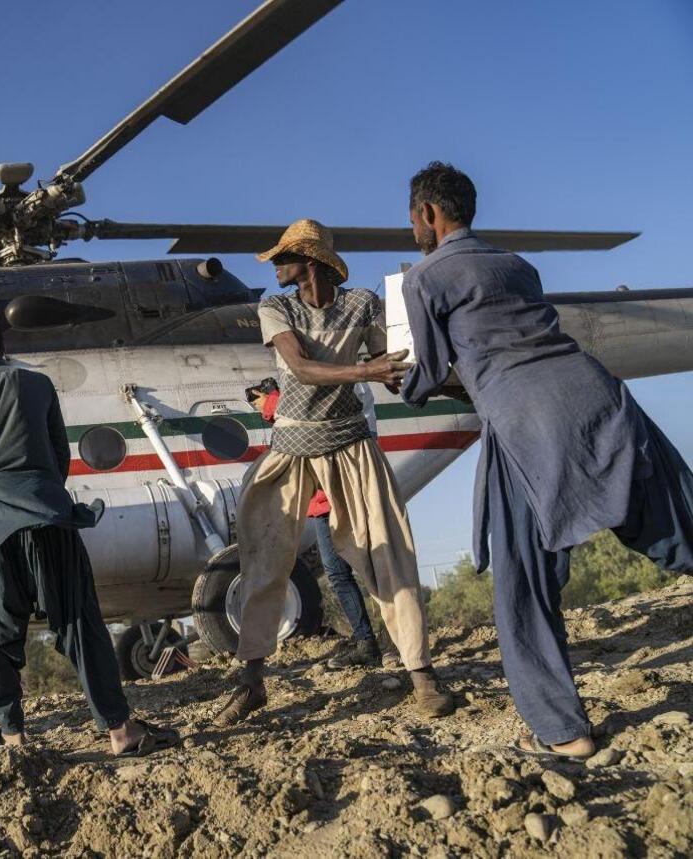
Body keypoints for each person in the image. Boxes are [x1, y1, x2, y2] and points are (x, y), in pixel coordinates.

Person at [399, 162, 693, 760]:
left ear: (428, 213)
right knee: (679, 524)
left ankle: (565, 732)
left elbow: (427, 373)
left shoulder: (424, 277)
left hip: (526, 424)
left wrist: (392, 378)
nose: (413, 231)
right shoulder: (518, 265)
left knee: (524, 582)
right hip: (600, 396)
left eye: (412, 220)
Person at [215, 218, 453, 727]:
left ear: (310, 261)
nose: (275, 268)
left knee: (390, 553)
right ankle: (252, 681)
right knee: (264, 560)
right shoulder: (277, 308)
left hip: (349, 442)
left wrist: (400, 372)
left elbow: (386, 360)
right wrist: (368, 371)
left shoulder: (362, 304)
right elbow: (301, 368)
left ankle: (422, 673)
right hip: (292, 446)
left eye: (283, 258)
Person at [0, 310, 178, 755]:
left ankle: (13, 735)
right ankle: (120, 731)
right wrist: (43, 494)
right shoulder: (39, 384)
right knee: (80, 622)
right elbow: (61, 453)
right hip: (49, 516)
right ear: (1, 345)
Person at [250, 382, 380, 668]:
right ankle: (374, 641)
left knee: (348, 571)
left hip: (337, 493)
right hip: (329, 496)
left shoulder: (340, 382)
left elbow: (314, 418)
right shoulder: (344, 380)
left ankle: (373, 642)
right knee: (351, 570)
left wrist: (273, 403)